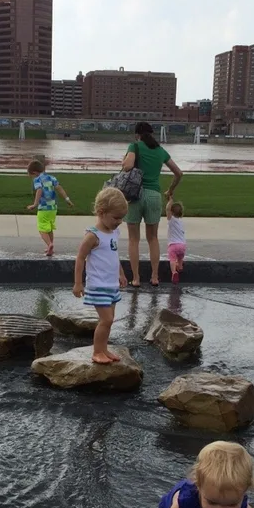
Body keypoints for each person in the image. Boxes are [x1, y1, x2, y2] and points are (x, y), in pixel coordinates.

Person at [121, 121, 183, 288]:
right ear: (152, 133)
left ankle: (136, 278)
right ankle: (155, 277)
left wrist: (125, 160)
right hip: (154, 195)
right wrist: (170, 189)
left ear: (137, 134)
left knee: (133, 239)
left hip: (135, 196)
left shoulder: (134, 147)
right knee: (153, 238)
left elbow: (127, 166)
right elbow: (178, 173)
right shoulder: (160, 151)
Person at [73, 187, 129, 365]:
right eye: (116, 218)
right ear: (101, 213)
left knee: (109, 320)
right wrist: (78, 283)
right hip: (98, 285)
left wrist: (121, 274)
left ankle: (104, 349)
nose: (119, 222)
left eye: (121, 218)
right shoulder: (92, 236)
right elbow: (80, 258)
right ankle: (97, 351)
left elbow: (114, 256)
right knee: (106, 319)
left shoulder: (113, 232)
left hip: (111, 284)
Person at [27, 159, 73, 256]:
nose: (30, 176)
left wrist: (35, 204)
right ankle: (50, 246)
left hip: (43, 208)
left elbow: (39, 190)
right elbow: (59, 188)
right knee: (50, 228)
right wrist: (67, 199)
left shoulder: (37, 179)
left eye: (30, 174)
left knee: (42, 229)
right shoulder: (51, 178)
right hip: (53, 208)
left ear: (34, 173)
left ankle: (49, 244)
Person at [165, 196, 186, 284]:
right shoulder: (181, 221)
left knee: (172, 259)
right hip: (183, 246)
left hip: (173, 245)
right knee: (180, 257)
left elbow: (167, 210)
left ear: (172, 212)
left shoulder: (171, 220)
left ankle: (174, 272)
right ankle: (180, 266)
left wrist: (170, 201)